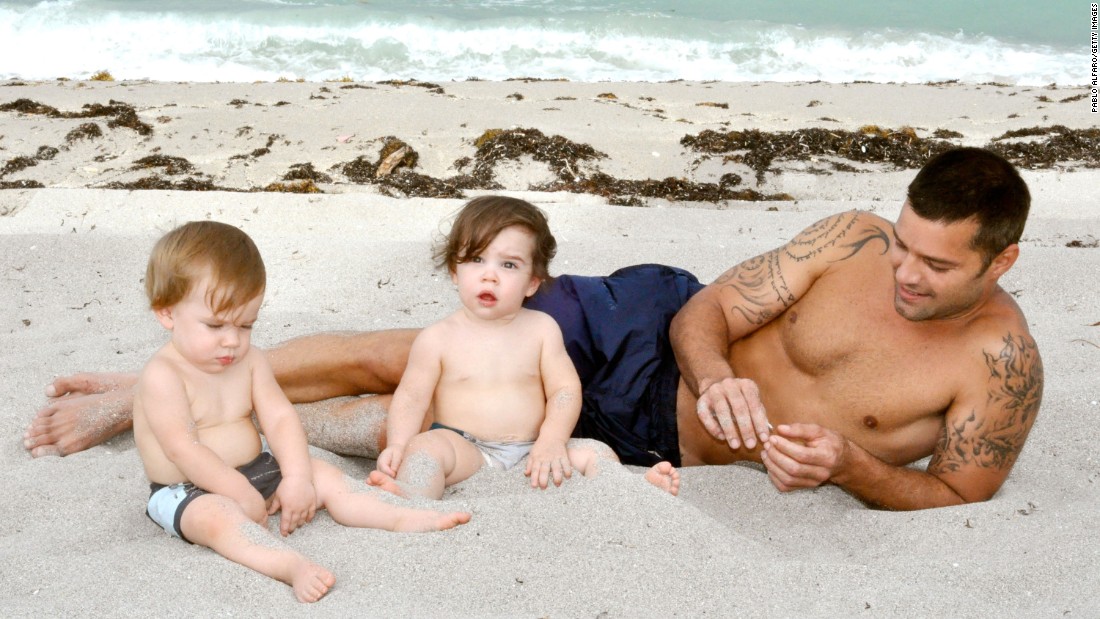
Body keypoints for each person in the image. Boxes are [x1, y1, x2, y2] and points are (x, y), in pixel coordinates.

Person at [25, 148, 1042, 511]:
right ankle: (140, 386)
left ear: (998, 261)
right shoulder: (848, 240)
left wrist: (849, 469)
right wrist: (716, 370)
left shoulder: (998, 367)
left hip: (646, 440)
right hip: (642, 327)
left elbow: (957, 485)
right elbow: (710, 309)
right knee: (413, 352)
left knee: (413, 419)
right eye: (904, 243)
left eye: (935, 263)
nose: (903, 272)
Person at [134, 221, 469, 604]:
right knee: (218, 520)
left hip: (256, 468)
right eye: (214, 325)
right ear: (167, 314)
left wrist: (295, 477)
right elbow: (184, 448)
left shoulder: (250, 360)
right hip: (186, 490)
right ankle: (290, 566)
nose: (232, 340)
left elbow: (279, 418)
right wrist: (238, 491)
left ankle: (399, 514)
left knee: (323, 474)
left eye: (246, 325)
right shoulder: (163, 375)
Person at [365, 196, 680, 499]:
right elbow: (411, 398)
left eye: (509, 265)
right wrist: (398, 444)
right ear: (454, 271)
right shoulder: (436, 338)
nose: (490, 276)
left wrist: (553, 441)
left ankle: (630, 492)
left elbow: (565, 390)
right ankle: (412, 495)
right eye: (476, 259)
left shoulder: (541, 329)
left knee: (596, 452)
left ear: (532, 282)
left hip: (535, 450)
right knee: (425, 450)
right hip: (466, 449)